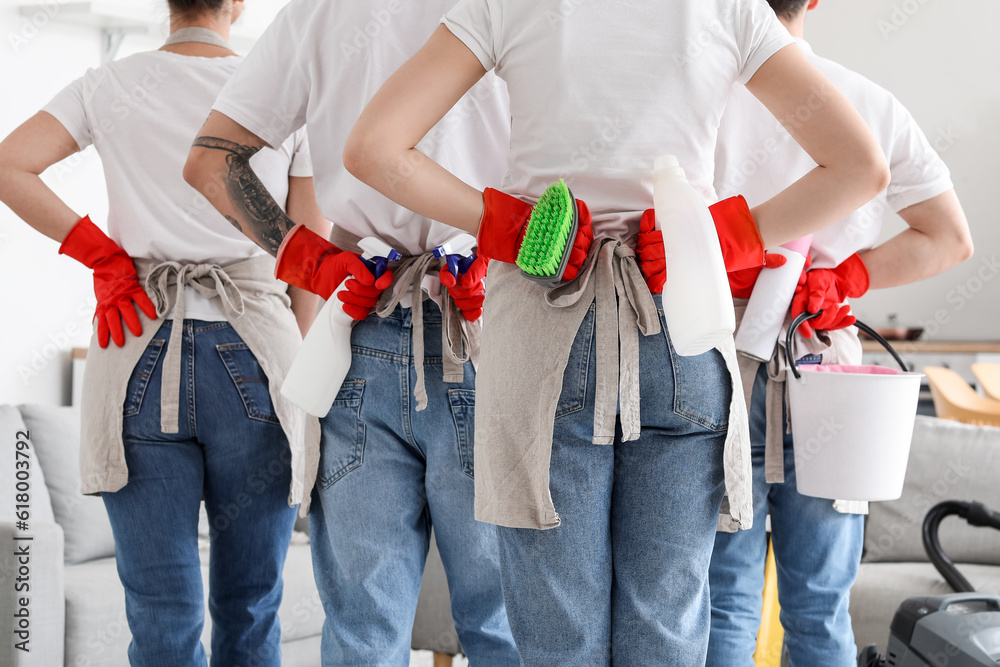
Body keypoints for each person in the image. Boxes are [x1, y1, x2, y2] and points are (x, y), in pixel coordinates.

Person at [342, 1, 891, 664]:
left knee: (555, 635)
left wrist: (506, 226)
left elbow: (373, 149)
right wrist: (721, 237)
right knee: (666, 627)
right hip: (680, 329)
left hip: (546, 330)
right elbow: (862, 166)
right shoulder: (729, 8)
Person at [182, 1, 519, 664]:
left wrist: (312, 259)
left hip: (363, 332)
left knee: (363, 630)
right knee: (505, 623)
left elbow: (212, 160)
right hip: (494, 325)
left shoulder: (319, 11)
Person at [0, 1, 326, 664]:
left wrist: (103, 253)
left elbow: (11, 163)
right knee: (252, 604)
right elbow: (309, 257)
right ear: (236, 4)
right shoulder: (287, 94)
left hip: (136, 355)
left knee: (160, 611)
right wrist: (301, 370)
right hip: (259, 362)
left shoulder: (108, 84)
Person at [707, 1, 974, 665]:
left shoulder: (691, 102)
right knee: (821, 606)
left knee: (723, 602)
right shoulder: (869, 105)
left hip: (710, 365)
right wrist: (849, 275)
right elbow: (950, 239)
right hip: (831, 380)